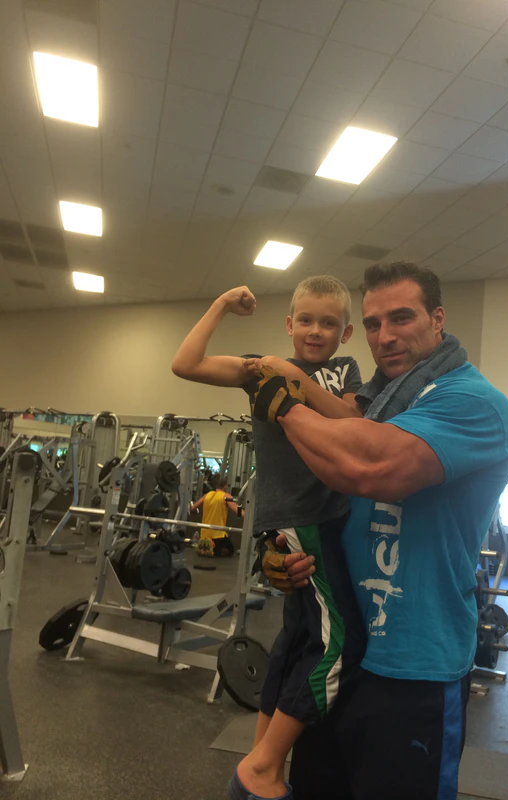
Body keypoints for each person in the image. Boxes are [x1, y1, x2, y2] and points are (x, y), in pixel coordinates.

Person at [254, 261, 508, 800]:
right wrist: (283, 555)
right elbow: (325, 500)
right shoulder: (375, 404)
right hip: (337, 657)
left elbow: (372, 470)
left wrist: (284, 405)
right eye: (374, 324)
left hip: (414, 669)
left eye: (402, 318)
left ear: (437, 319)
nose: (385, 336)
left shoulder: (472, 401)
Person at [171, 276, 366, 800]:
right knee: (341, 643)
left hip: (330, 517)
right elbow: (185, 364)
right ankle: (262, 768)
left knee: (298, 637)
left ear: (346, 333)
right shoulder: (260, 367)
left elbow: (352, 420)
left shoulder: (345, 370)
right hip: (300, 517)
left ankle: (261, 762)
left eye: (329, 323)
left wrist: (294, 379)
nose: (316, 330)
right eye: (306, 320)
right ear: (289, 324)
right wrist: (220, 303)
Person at [191, 476, 240, 557]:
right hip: (218, 535)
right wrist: (247, 514)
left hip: (204, 534)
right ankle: (215, 549)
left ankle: (205, 546)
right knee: (230, 550)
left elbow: (192, 508)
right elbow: (237, 511)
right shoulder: (225, 496)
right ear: (225, 486)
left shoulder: (207, 495)